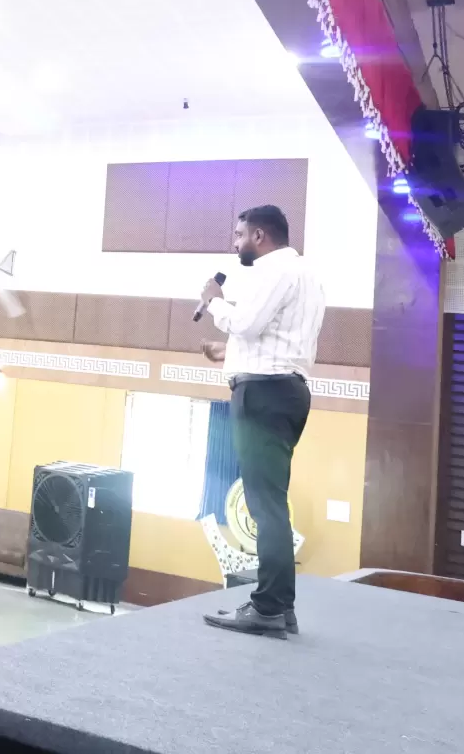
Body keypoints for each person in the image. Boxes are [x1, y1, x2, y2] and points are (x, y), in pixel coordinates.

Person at [196, 204, 324, 640]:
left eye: (239, 235)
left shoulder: (273, 269)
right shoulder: (305, 273)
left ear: (260, 236)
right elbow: (275, 338)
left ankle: (267, 607)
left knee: (265, 506)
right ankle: (281, 608)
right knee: (272, 502)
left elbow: (247, 324)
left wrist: (214, 301)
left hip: (264, 395)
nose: (235, 244)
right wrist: (228, 351)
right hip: (286, 390)